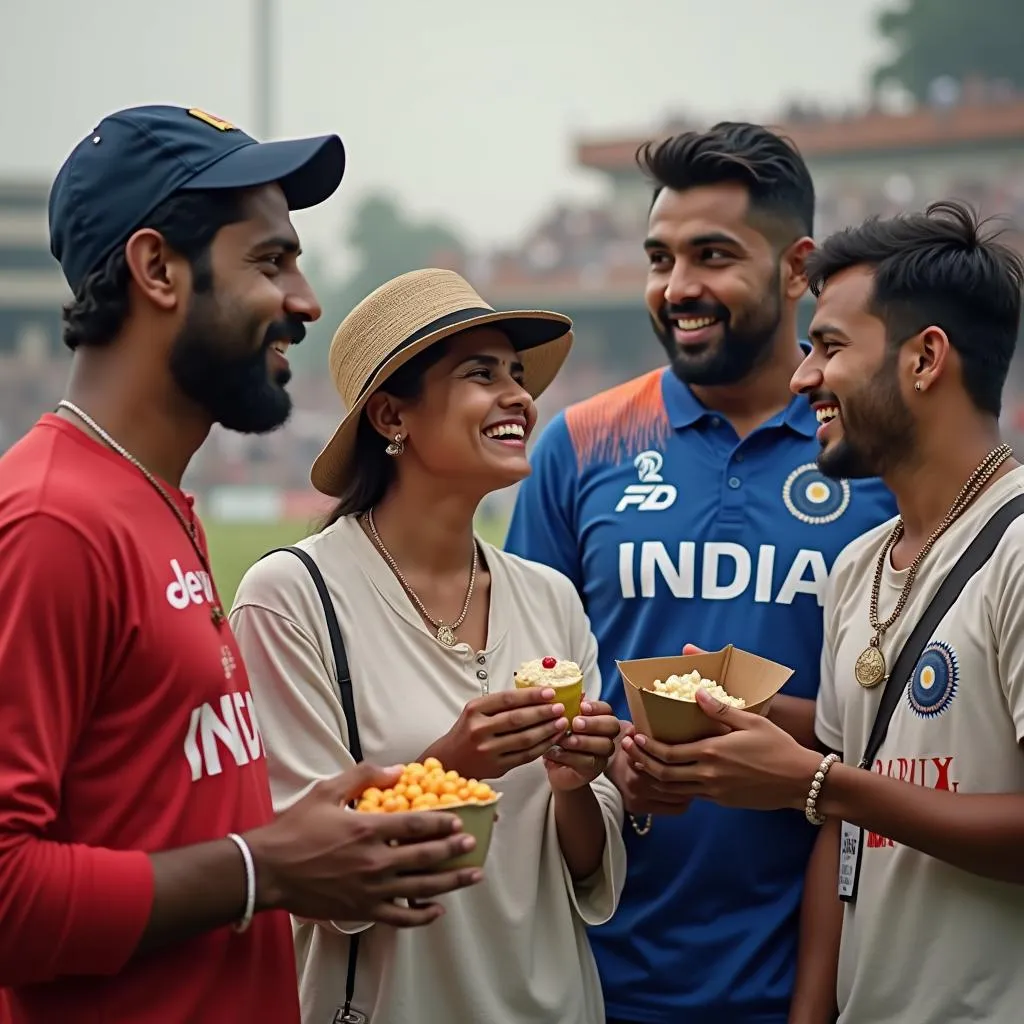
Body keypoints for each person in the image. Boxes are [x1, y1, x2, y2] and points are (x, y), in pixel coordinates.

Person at [0, 106, 483, 1024]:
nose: (305, 301)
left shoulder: (150, 498)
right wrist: (265, 868)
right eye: (271, 261)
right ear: (156, 269)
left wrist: (297, 846)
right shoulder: (50, 519)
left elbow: (146, 818)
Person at [504, 122, 896, 1024]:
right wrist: (607, 761)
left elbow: (907, 736)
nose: (678, 288)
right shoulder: (581, 443)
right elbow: (530, 686)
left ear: (797, 269)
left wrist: (785, 750)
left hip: (825, 973)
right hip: (593, 972)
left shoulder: (871, 459)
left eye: (712, 255)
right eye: (659, 258)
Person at [640, 200, 1024, 1024]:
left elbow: (841, 792)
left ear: (926, 359)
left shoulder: (1018, 548)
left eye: (831, 348)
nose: (802, 377)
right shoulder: (859, 565)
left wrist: (817, 781)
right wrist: (755, 718)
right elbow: (849, 827)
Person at [229, 267, 627, 1024]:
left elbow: (586, 870)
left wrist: (579, 779)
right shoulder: (293, 597)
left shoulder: (551, 597)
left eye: (517, 373)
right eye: (481, 374)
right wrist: (453, 763)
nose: (519, 395)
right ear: (390, 417)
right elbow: (297, 869)